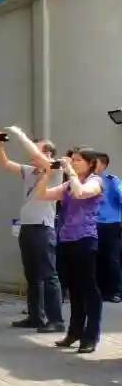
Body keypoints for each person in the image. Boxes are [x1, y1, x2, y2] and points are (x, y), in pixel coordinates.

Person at [33, 144, 104, 353]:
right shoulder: (67, 185)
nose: (73, 163)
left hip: (85, 239)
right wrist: (47, 173)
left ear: (90, 163)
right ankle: (74, 332)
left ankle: (90, 336)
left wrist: (70, 171)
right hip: (66, 239)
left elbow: (81, 193)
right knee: (73, 289)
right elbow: (42, 195)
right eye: (71, 160)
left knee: (88, 289)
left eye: (78, 160)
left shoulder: (95, 181)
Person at [0, 132, 64, 332]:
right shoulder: (30, 171)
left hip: (43, 228)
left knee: (49, 275)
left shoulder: (55, 169)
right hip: (27, 227)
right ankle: (36, 316)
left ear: (48, 154)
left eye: (36, 151)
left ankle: (56, 320)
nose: (30, 156)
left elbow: (44, 161)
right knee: (32, 276)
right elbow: (5, 163)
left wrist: (20, 135)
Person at [94, 153, 122, 303]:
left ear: (103, 165)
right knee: (96, 258)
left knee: (112, 259)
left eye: (95, 163)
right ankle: (100, 290)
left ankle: (116, 291)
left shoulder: (112, 180)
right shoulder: (86, 181)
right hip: (92, 224)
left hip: (111, 224)